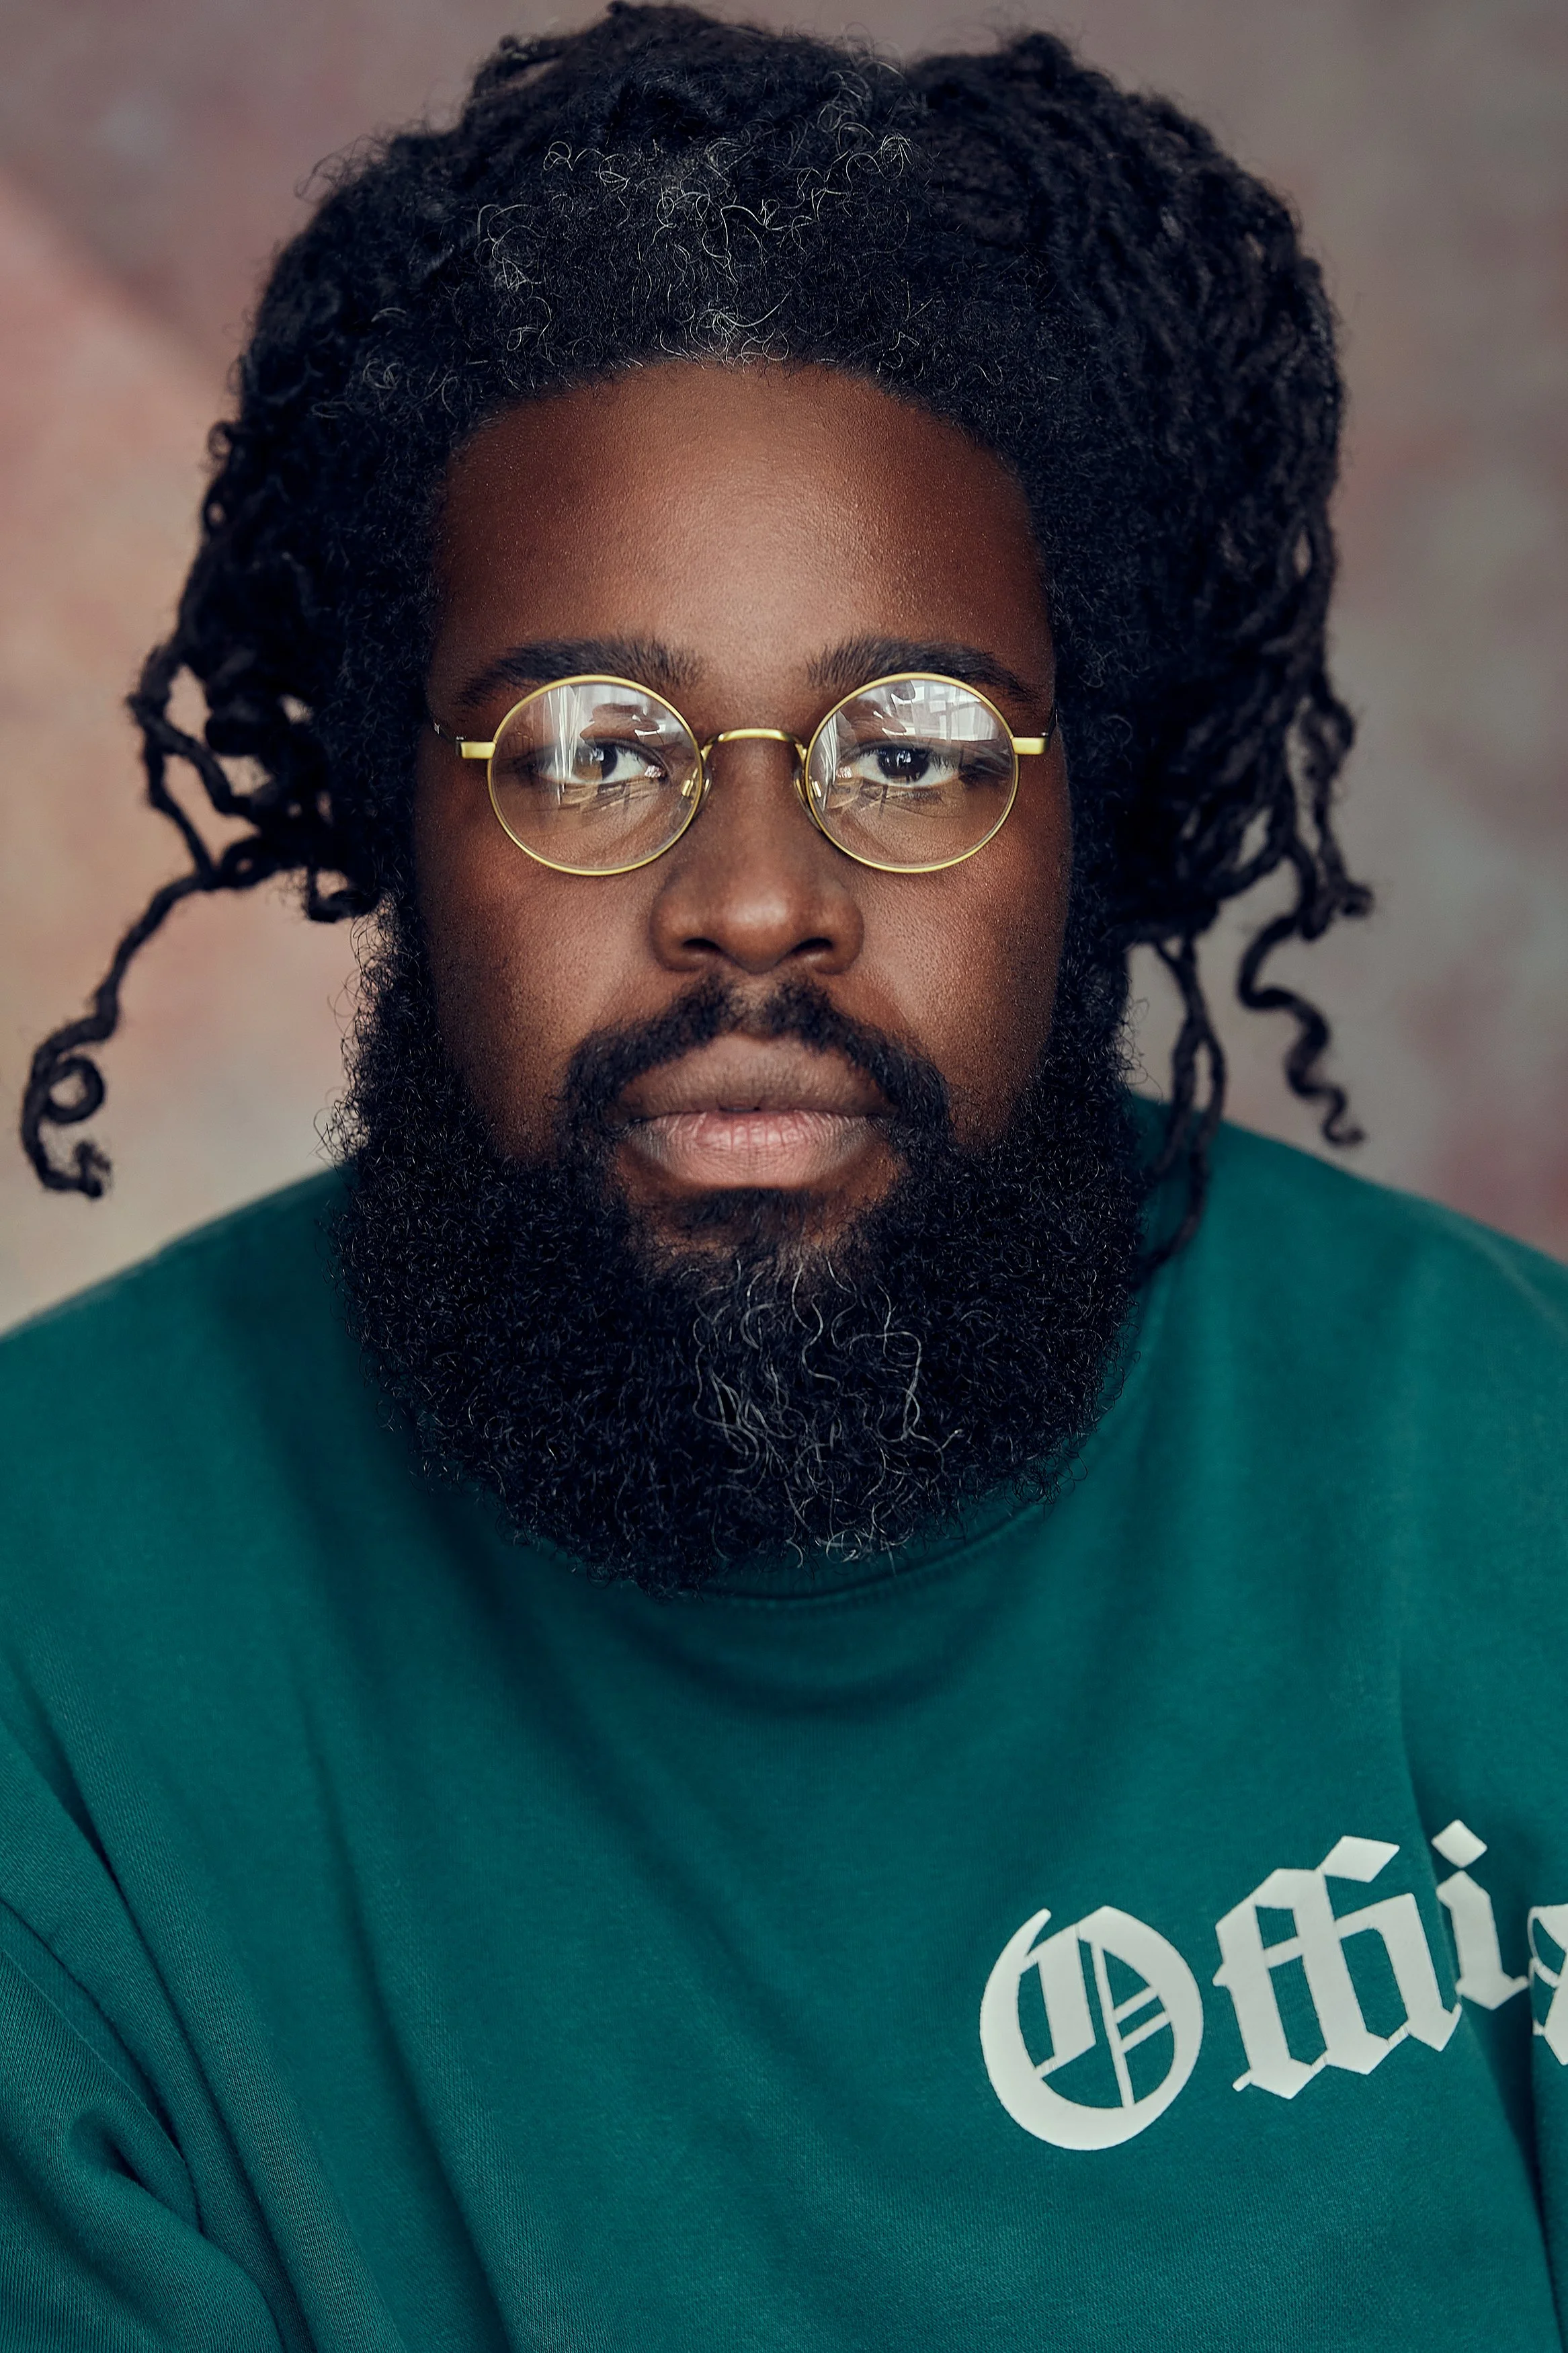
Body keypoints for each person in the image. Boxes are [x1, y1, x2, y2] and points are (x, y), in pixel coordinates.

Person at [3, 6, 1565, 2344]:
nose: (754, 895)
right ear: (388, 807)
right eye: (587, 745)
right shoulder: (52, 1633)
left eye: (911, 743)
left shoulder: (1506, 1462)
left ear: (1088, 808)